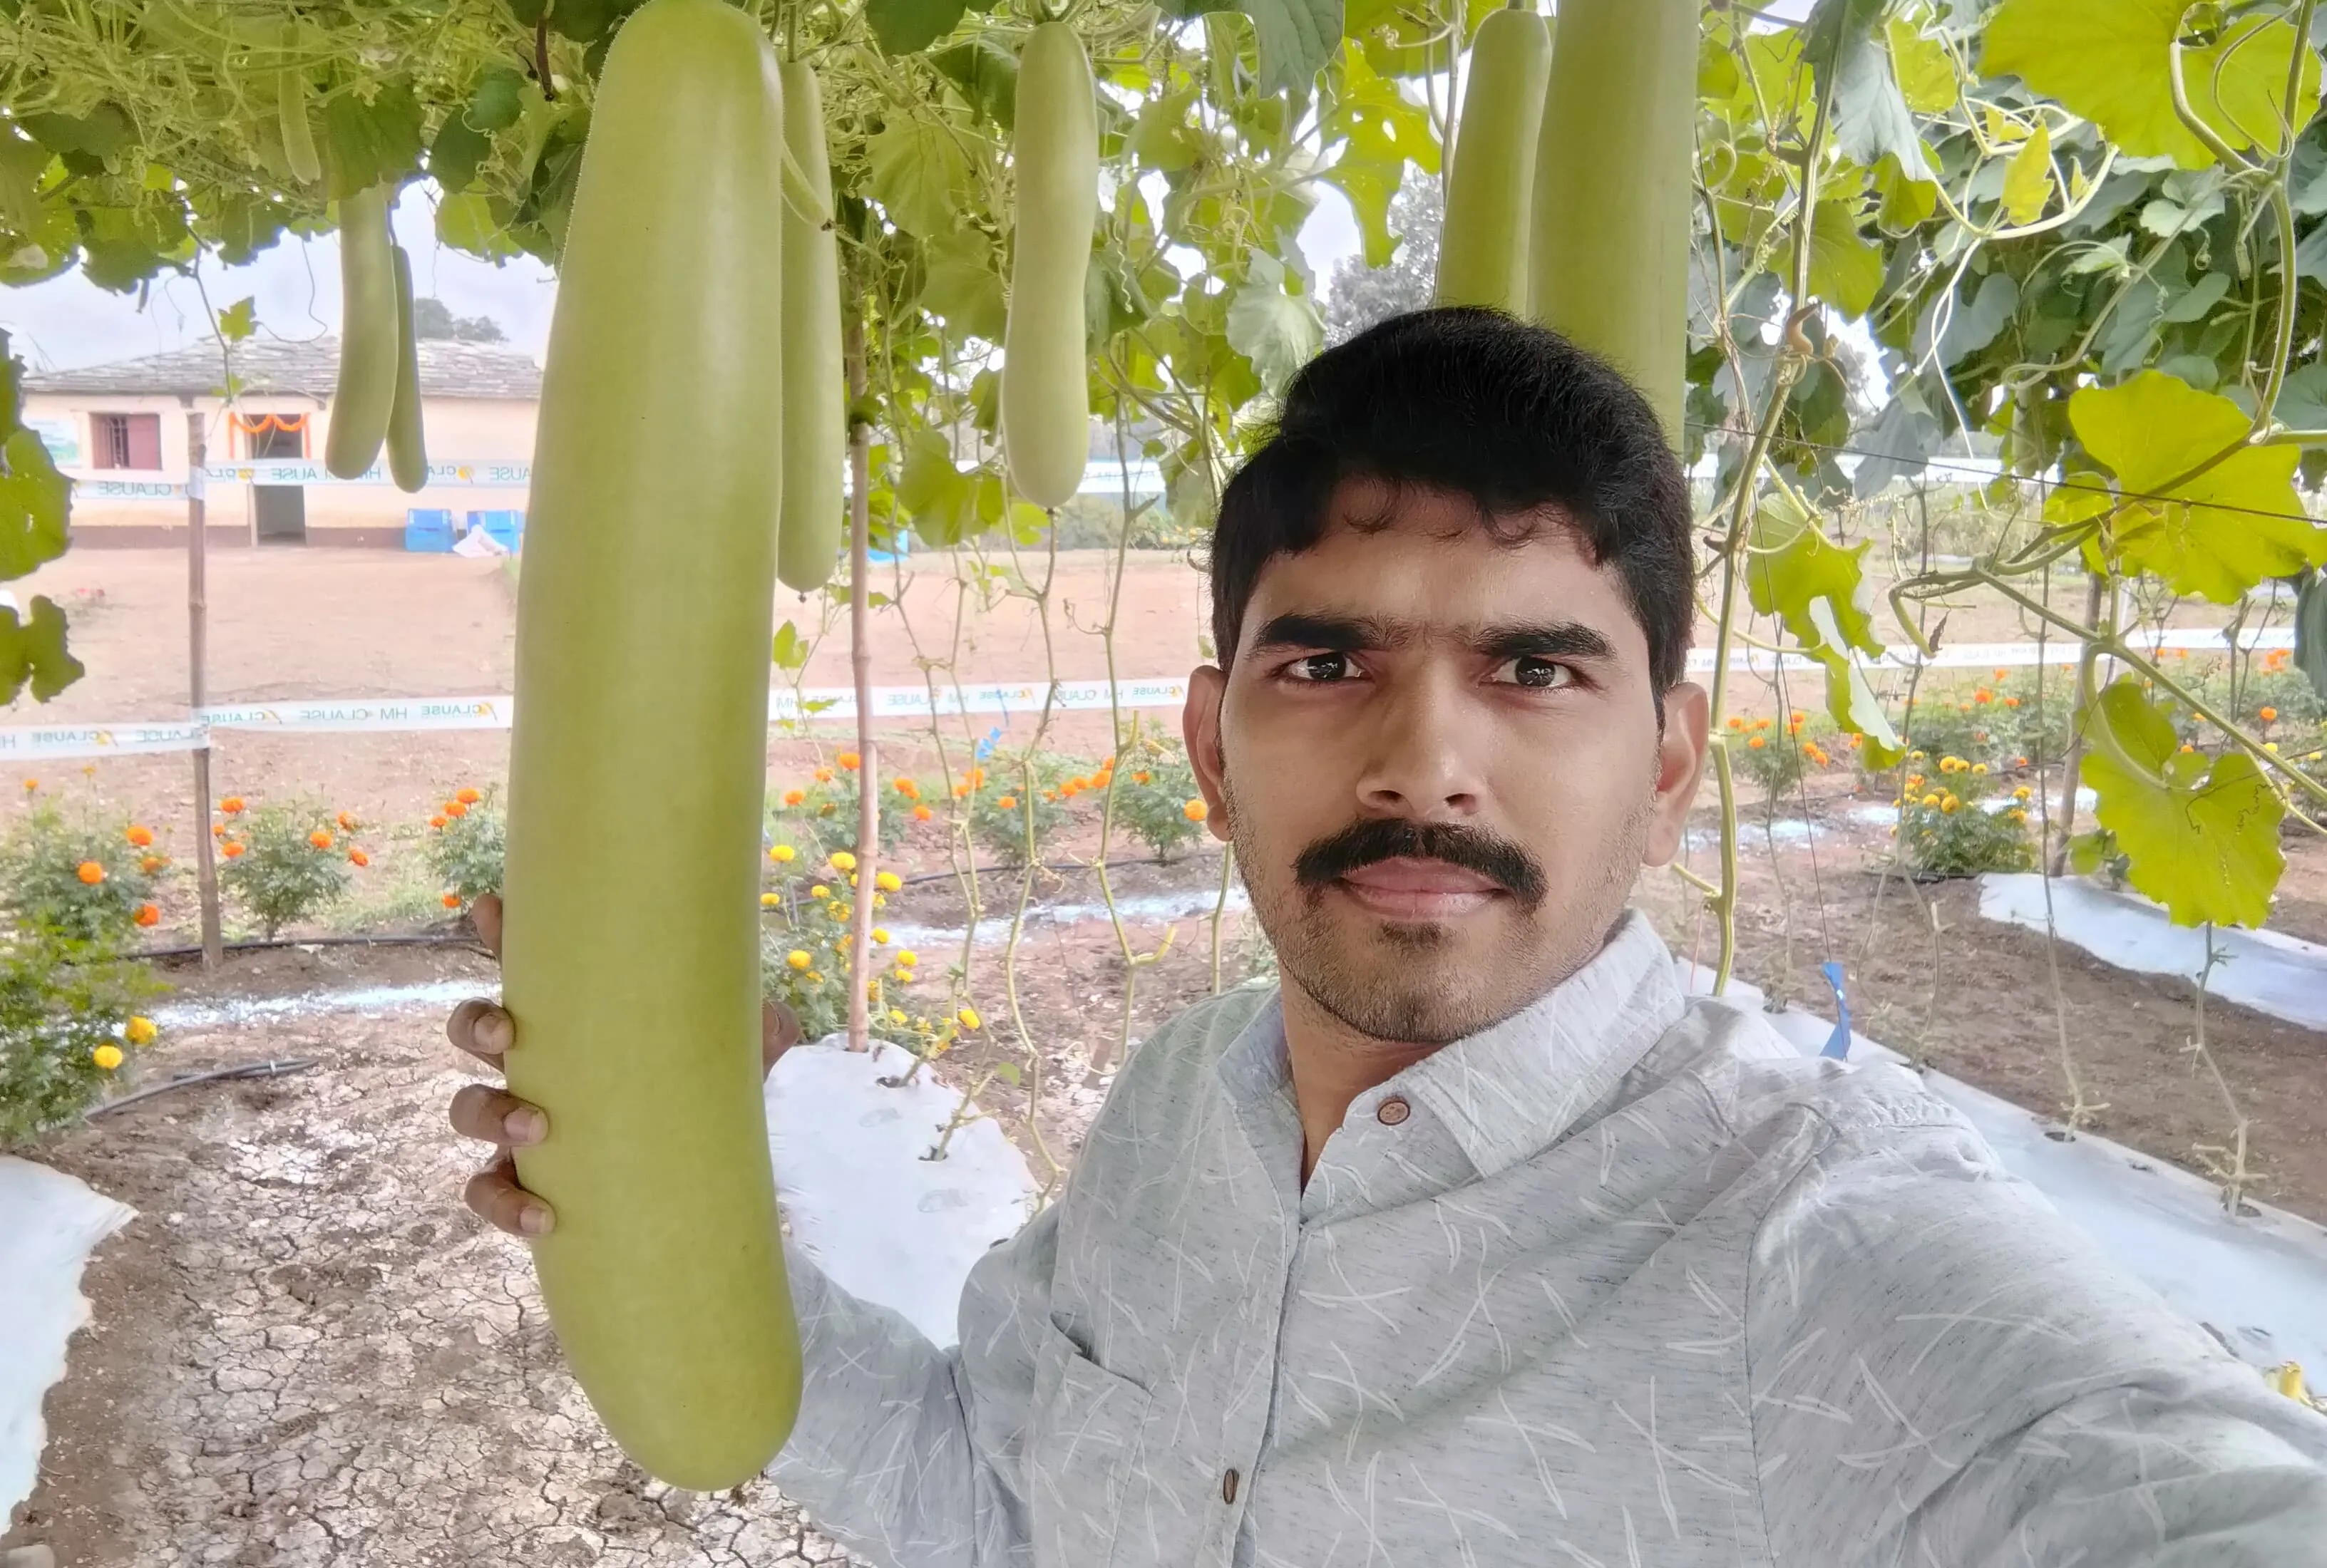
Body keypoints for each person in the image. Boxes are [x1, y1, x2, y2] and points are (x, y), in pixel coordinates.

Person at [448, 308, 2327, 1565]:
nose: (1424, 761)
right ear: (1212, 740)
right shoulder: (1183, 1110)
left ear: (1669, 762)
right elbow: (992, 1499)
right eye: (1327, 659)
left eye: (1535, 668)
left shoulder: (1828, 1241)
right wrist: (660, 1186)